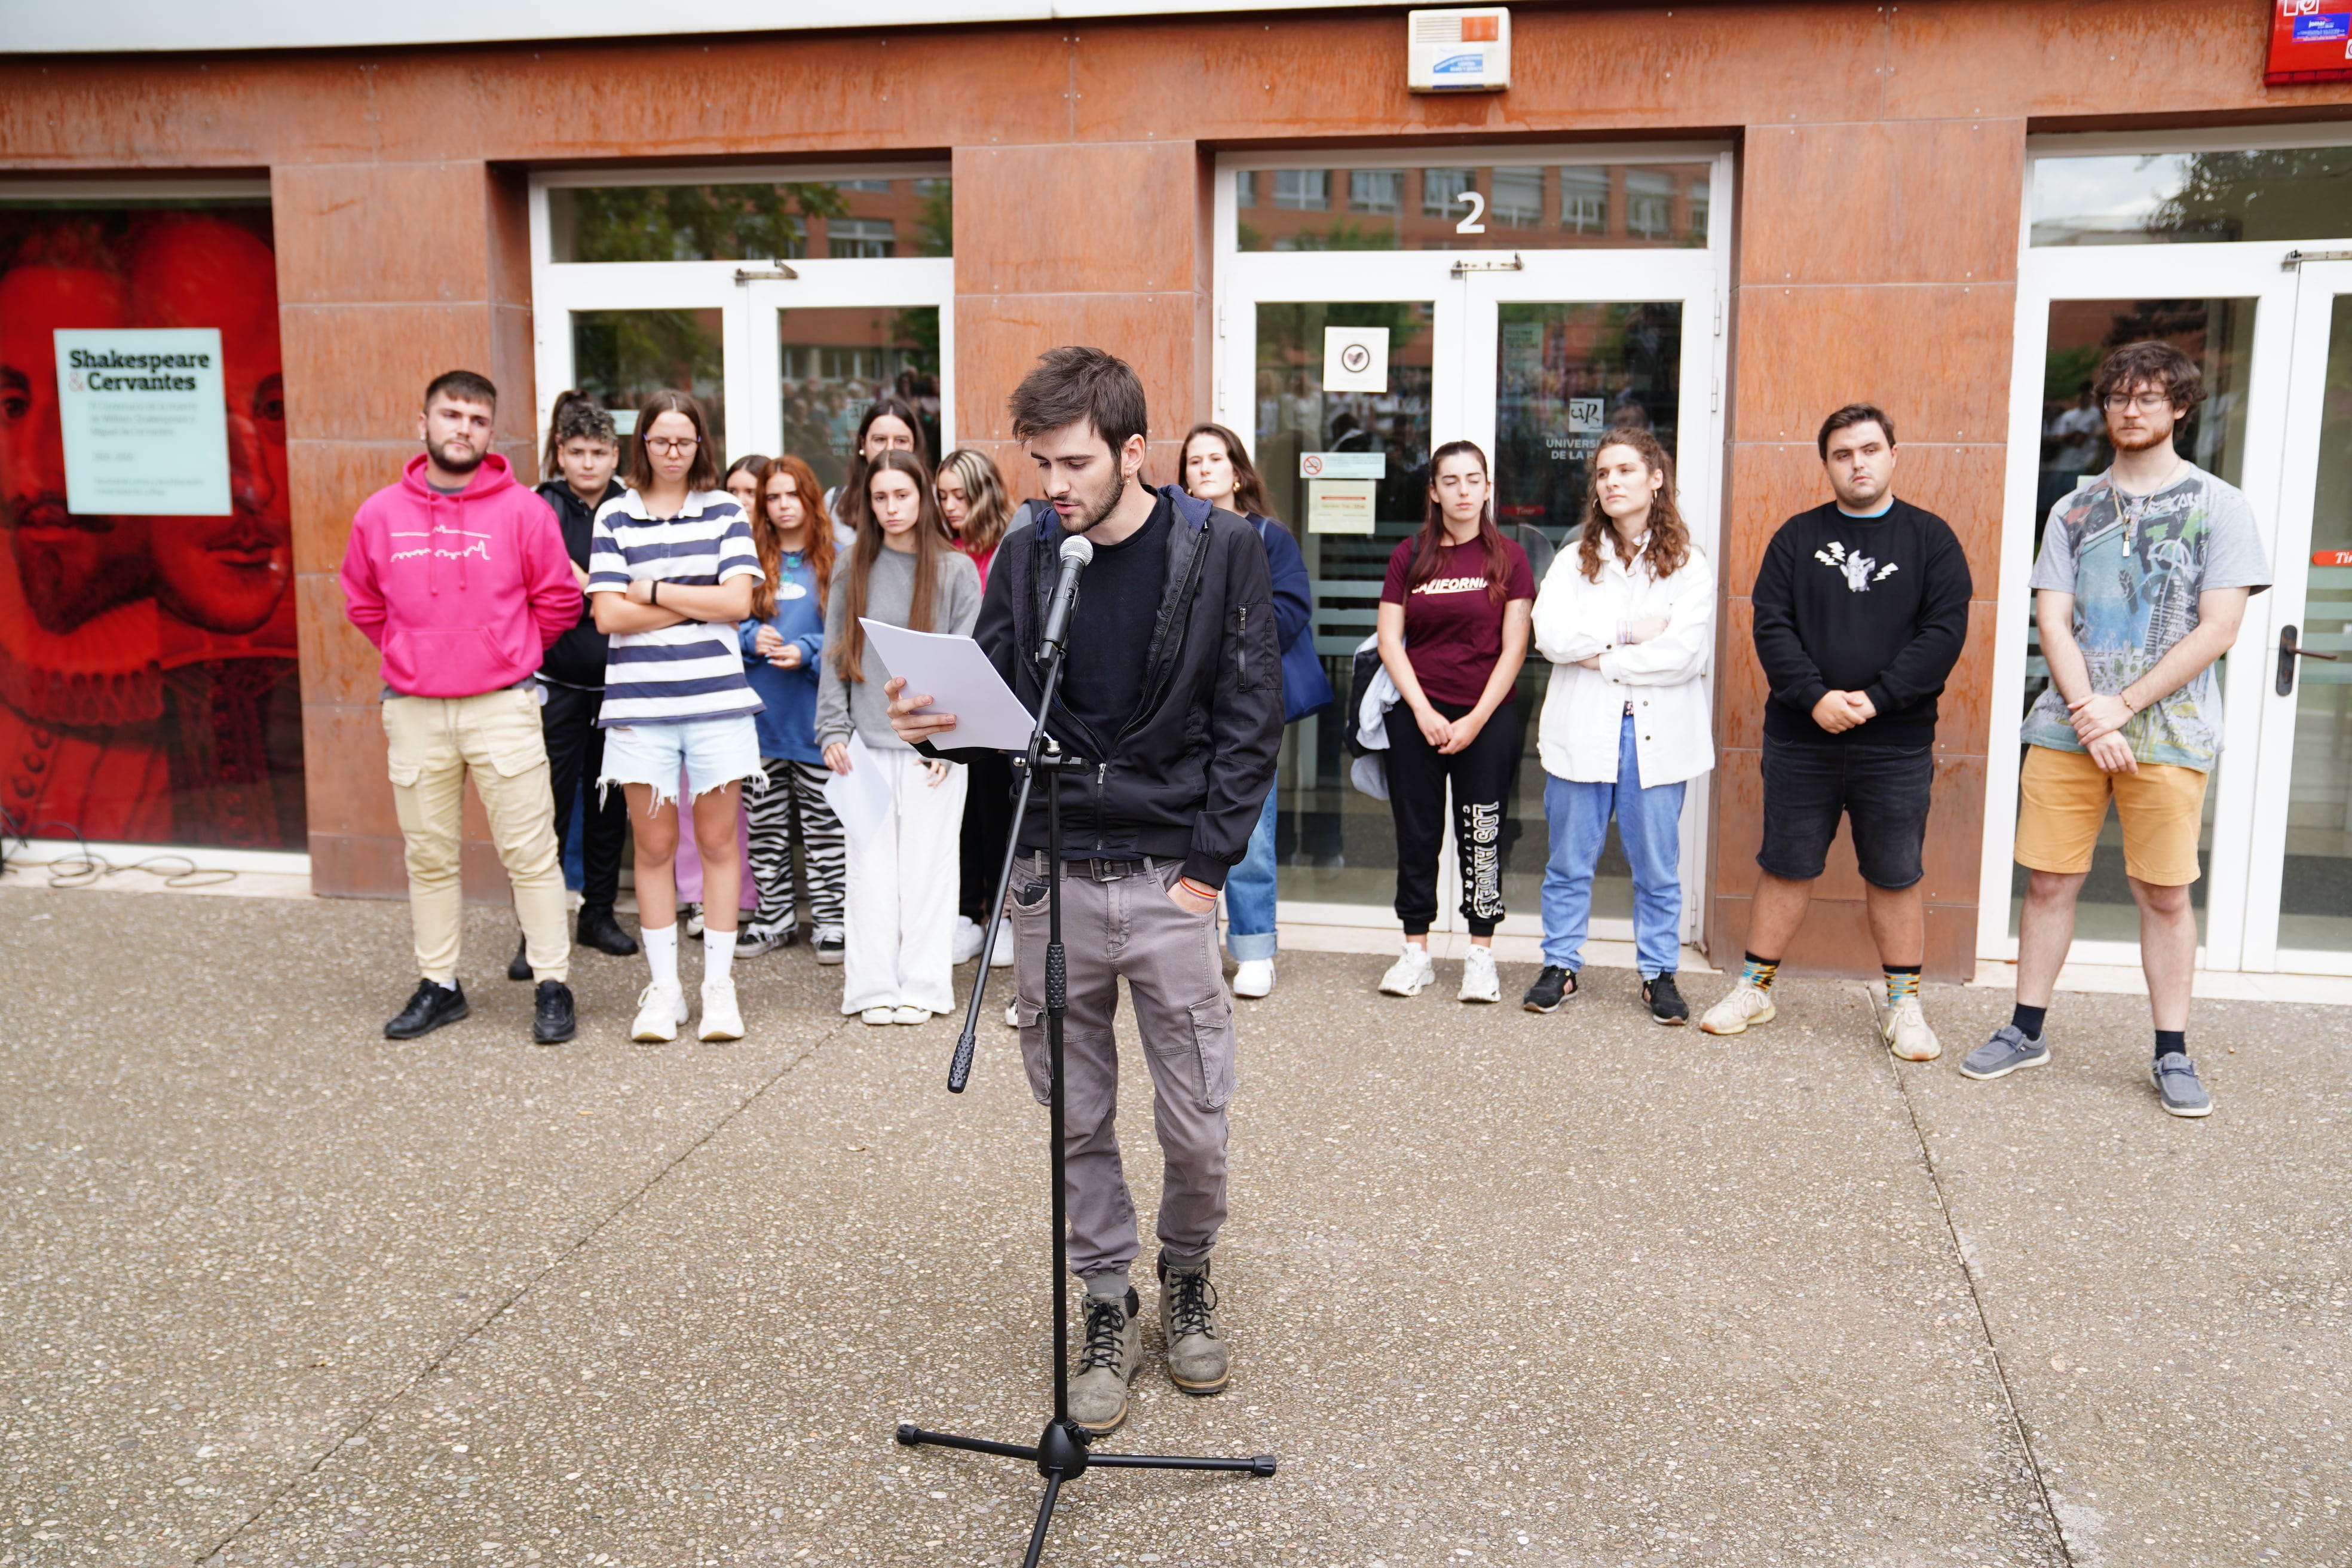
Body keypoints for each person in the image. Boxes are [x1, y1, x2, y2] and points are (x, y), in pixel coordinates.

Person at [886, 347, 1280, 1438]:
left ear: (1132, 451)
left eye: (1072, 463)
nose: (1052, 485)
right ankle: (1107, 1292)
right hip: (1051, 873)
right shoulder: (1026, 555)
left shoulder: (1222, 547)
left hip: (1169, 877)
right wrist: (940, 719)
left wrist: (1207, 872)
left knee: (1196, 1115)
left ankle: (1189, 1268)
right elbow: (997, 700)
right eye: (1040, 464)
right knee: (1075, 1112)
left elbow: (1250, 722)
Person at [1965, 342, 2270, 1118]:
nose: (2131, 410)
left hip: (2169, 732)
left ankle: (2173, 1051)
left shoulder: (2219, 506)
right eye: (2119, 398)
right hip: (2069, 728)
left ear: (2180, 409)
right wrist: (2087, 713)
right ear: (2105, 409)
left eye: (2149, 398)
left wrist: (2122, 706)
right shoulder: (2072, 508)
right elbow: (2053, 621)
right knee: (2048, 882)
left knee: (2162, 894)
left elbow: (2219, 627)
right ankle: (2026, 1029)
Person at [1698, 403, 1971, 1059]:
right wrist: (1815, 696)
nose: (1858, 463)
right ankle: (1755, 989)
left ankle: (1904, 1005)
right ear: (1827, 464)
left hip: (1895, 744)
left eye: (1870, 449)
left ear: (1893, 454)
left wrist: (1876, 700)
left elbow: (1943, 634)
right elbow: (1772, 625)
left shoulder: (1932, 540)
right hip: (1802, 738)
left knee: (1895, 872)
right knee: (1785, 865)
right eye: (1844, 454)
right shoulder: (1796, 538)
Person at [339, 370, 581, 1045]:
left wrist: (508, 652)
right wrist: (410, 650)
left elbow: (560, 596)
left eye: (477, 419)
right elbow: (362, 599)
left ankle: (552, 982)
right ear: (424, 423)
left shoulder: (523, 512)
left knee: (531, 853)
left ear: (491, 432)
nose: (462, 428)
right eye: (451, 415)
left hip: (502, 704)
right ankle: (440, 983)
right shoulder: (380, 513)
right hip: (415, 708)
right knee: (430, 856)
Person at [587, 389, 765, 1045]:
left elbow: (740, 602)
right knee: (655, 849)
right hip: (641, 709)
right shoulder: (614, 515)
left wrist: (655, 591)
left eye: (683, 441)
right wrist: (699, 602)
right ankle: (666, 990)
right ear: (643, 444)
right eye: (660, 440)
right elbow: (608, 615)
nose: (671, 451)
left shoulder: (723, 510)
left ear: (700, 445)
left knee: (720, 843)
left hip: (717, 705)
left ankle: (719, 988)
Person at [1523, 428, 1714, 1022]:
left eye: (1626, 470)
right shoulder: (1573, 559)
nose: (1612, 482)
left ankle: (1659, 973)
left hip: (1654, 736)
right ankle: (1561, 964)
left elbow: (1684, 655)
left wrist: (1599, 656)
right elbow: (1550, 635)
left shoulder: (1689, 563)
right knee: (1568, 860)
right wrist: (1629, 634)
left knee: (1656, 864)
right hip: (1584, 730)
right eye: (1603, 473)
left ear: (1656, 479)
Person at [816, 450, 982, 1025]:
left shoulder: (957, 570)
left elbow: (967, 663)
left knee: (931, 869)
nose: (891, 508)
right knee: (869, 874)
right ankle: (870, 989)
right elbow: (835, 654)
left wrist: (950, 746)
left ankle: (926, 986)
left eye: (902, 495)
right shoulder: (850, 567)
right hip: (863, 746)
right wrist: (831, 728)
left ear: (924, 498)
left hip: (933, 752)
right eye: (880, 497)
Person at [1373, 440, 1536, 1004]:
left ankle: (1480, 954)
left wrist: (1474, 720)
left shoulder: (1510, 558)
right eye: (1451, 481)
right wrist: (1422, 710)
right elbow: (1390, 640)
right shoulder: (1410, 555)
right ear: (1434, 491)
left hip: (1486, 720)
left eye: (1474, 480)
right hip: (1416, 717)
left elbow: (1515, 649)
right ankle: (1415, 951)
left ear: (1488, 488)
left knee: (1483, 837)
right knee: (1417, 838)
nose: (1463, 491)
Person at [1180, 421, 1327, 999]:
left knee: (1251, 832)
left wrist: (1225, 637)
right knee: (1187, 830)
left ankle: (1255, 946)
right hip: (1188, 705)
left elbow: (1290, 610)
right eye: (1194, 461)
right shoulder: (1175, 533)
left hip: (1247, 706)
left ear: (1237, 471)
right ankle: (1193, 950)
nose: (1205, 468)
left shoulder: (1270, 537)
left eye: (1216, 458)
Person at [499, 392, 638, 976]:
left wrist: (593, 585)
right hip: (554, 681)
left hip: (621, 681)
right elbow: (533, 584)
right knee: (546, 809)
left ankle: (599, 914)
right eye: (577, 451)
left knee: (608, 805)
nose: (588, 463)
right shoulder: (538, 505)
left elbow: (639, 587)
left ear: (615, 454)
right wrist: (596, 590)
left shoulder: (633, 507)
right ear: (560, 452)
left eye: (600, 452)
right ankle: (536, 933)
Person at [737, 454, 847, 961]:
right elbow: (723, 620)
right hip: (759, 724)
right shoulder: (747, 557)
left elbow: (850, 638)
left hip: (813, 724)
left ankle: (831, 921)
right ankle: (774, 917)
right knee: (765, 829)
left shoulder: (838, 558)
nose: (783, 506)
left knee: (825, 830)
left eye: (792, 495)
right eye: (772, 497)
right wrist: (748, 635)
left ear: (810, 498)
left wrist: (807, 648)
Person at [935, 445, 1018, 969]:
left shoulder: (1011, 545)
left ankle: (1003, 919)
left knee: (996, 814)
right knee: (959, 818)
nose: (947, 505)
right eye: (941, 495)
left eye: (958, 495)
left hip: (997, 698)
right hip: (948, 699)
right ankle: (965, 915)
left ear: (982, 492)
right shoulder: (941, 549)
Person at [824, 397, 927, 549]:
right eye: (880, 440)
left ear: (914, 446)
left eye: (901, 441)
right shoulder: (836, 501)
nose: (890, 449)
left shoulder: (935, 499)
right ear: (863, 444)